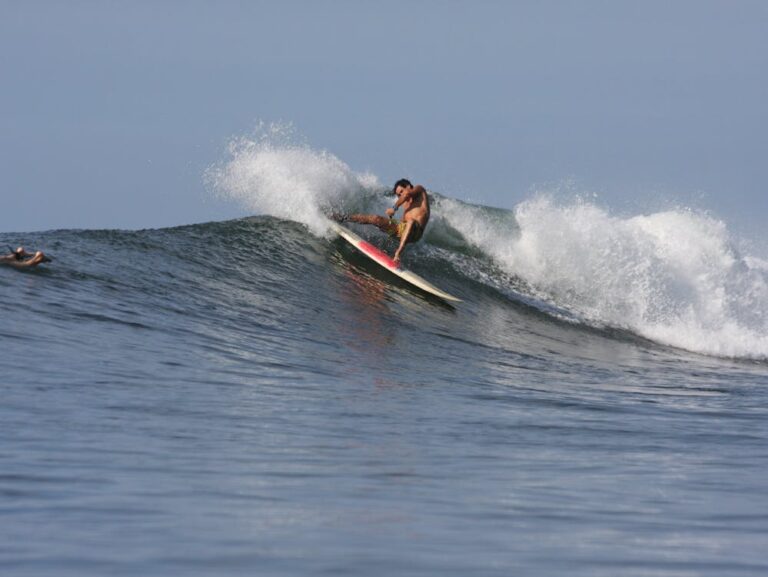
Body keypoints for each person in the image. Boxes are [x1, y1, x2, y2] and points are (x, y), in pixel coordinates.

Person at [334, 179, 430, 263]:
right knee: (376, 219)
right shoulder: (406, 206)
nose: (401, 195)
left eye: (401, 191)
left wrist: (394, 208)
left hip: (416, 232)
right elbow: (401, 226)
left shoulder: (420, 191)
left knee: (411, 221)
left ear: (408, 186)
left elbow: (407, 194)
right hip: (403, 230)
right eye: (398, 195)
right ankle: (343, 217)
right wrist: (389, 223)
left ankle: (398, 253)